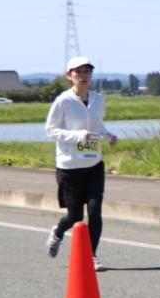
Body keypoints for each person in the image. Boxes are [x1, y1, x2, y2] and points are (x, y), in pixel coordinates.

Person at [45, 56, 118, 272]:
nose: (83, 76)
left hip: (94, 163)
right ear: (69, 76)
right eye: (78, 72)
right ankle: (58, 232)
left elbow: (97, 124)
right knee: (75, 216)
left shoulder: (98, 99)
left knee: (95, 211)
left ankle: (92, 255)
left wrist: (108, 135)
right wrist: (78, 136)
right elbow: (51, 130)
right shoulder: (63, 101)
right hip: (69, 166)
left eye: (87, 72)